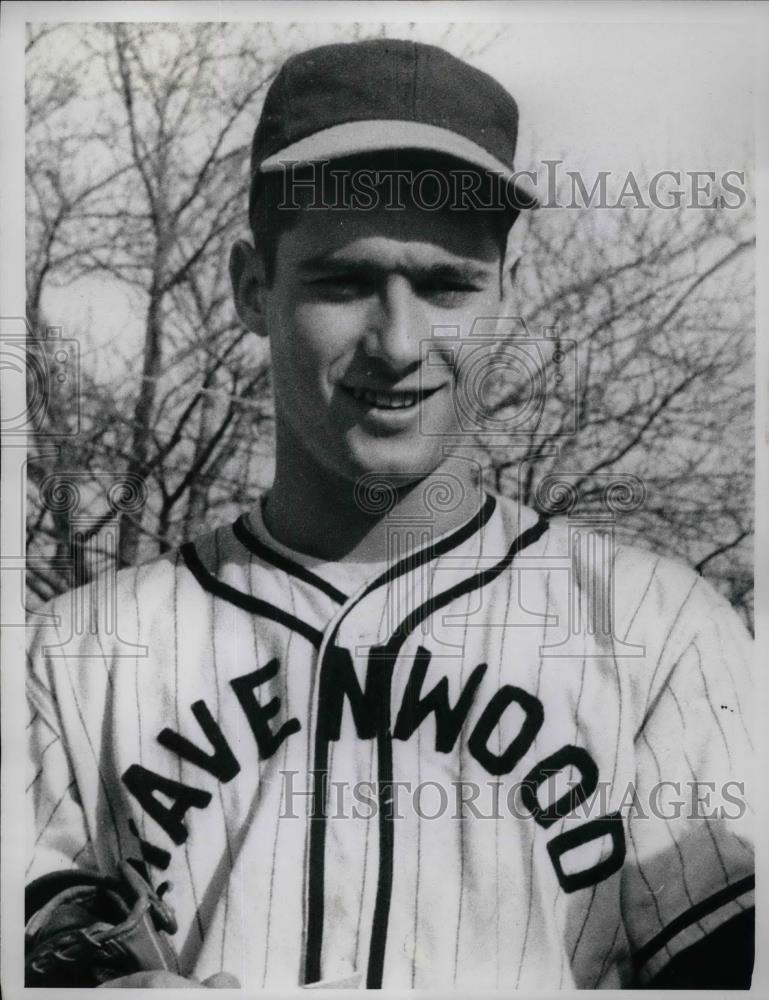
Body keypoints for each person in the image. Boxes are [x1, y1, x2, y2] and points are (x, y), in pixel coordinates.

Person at [26, 38, 754, 989]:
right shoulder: (72, 659)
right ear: (254, 287)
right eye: (345, 281)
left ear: (508, 298)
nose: (400, 343)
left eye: (448, 286)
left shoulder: (663, 636)